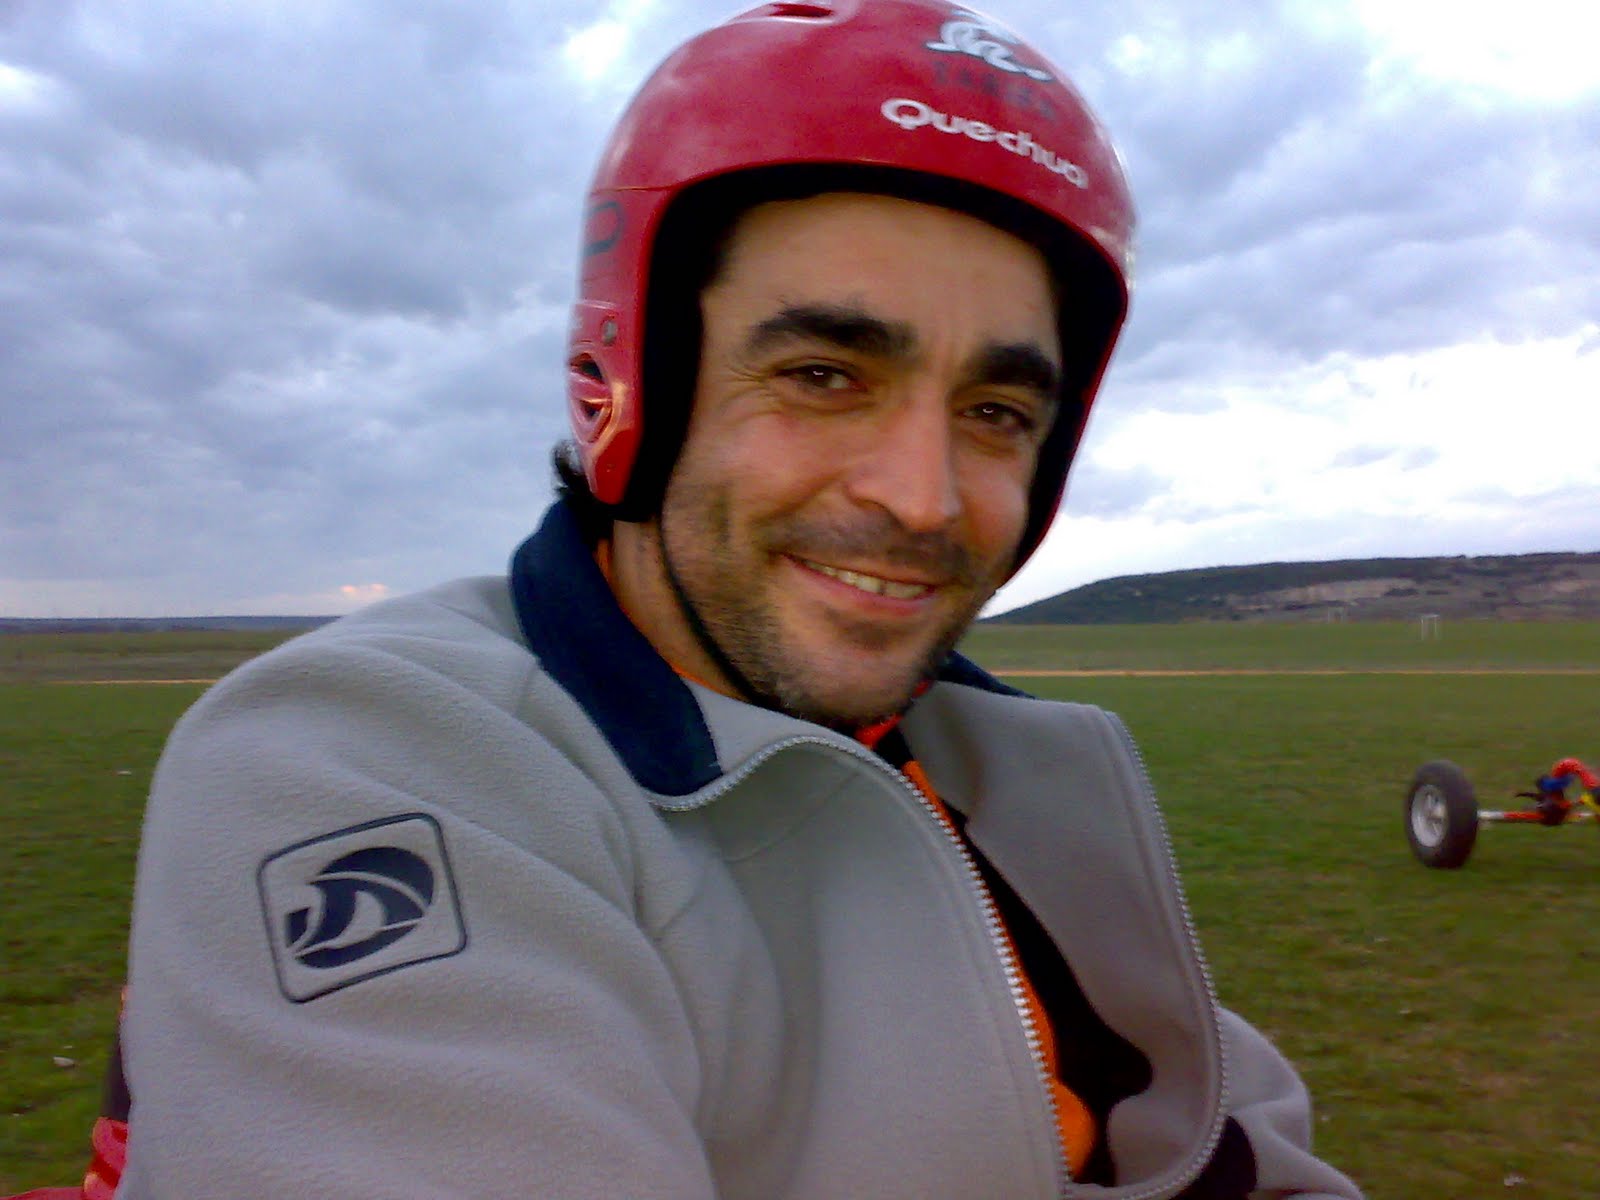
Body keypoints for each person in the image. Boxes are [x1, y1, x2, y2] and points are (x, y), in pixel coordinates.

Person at [65, 2, 1364, 1197]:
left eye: (994, 411)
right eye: (822, 375)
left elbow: (1235, 1150)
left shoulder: (997, 770)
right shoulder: (364, 752)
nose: (923, 498)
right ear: (635, 383)